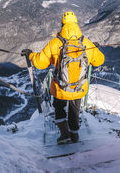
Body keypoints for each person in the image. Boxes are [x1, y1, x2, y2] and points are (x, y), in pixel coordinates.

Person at [21, 11, 105, 144]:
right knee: (75, 110)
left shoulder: (55, 43)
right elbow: (99, 61)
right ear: (76, 24)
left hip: (60, 87)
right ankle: (74, 135)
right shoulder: (86, 43)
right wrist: (95, 48)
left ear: (62, 25)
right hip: (78, 87)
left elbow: (40, 63)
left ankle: (64, 134)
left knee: (59, 107)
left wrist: (31, 55)